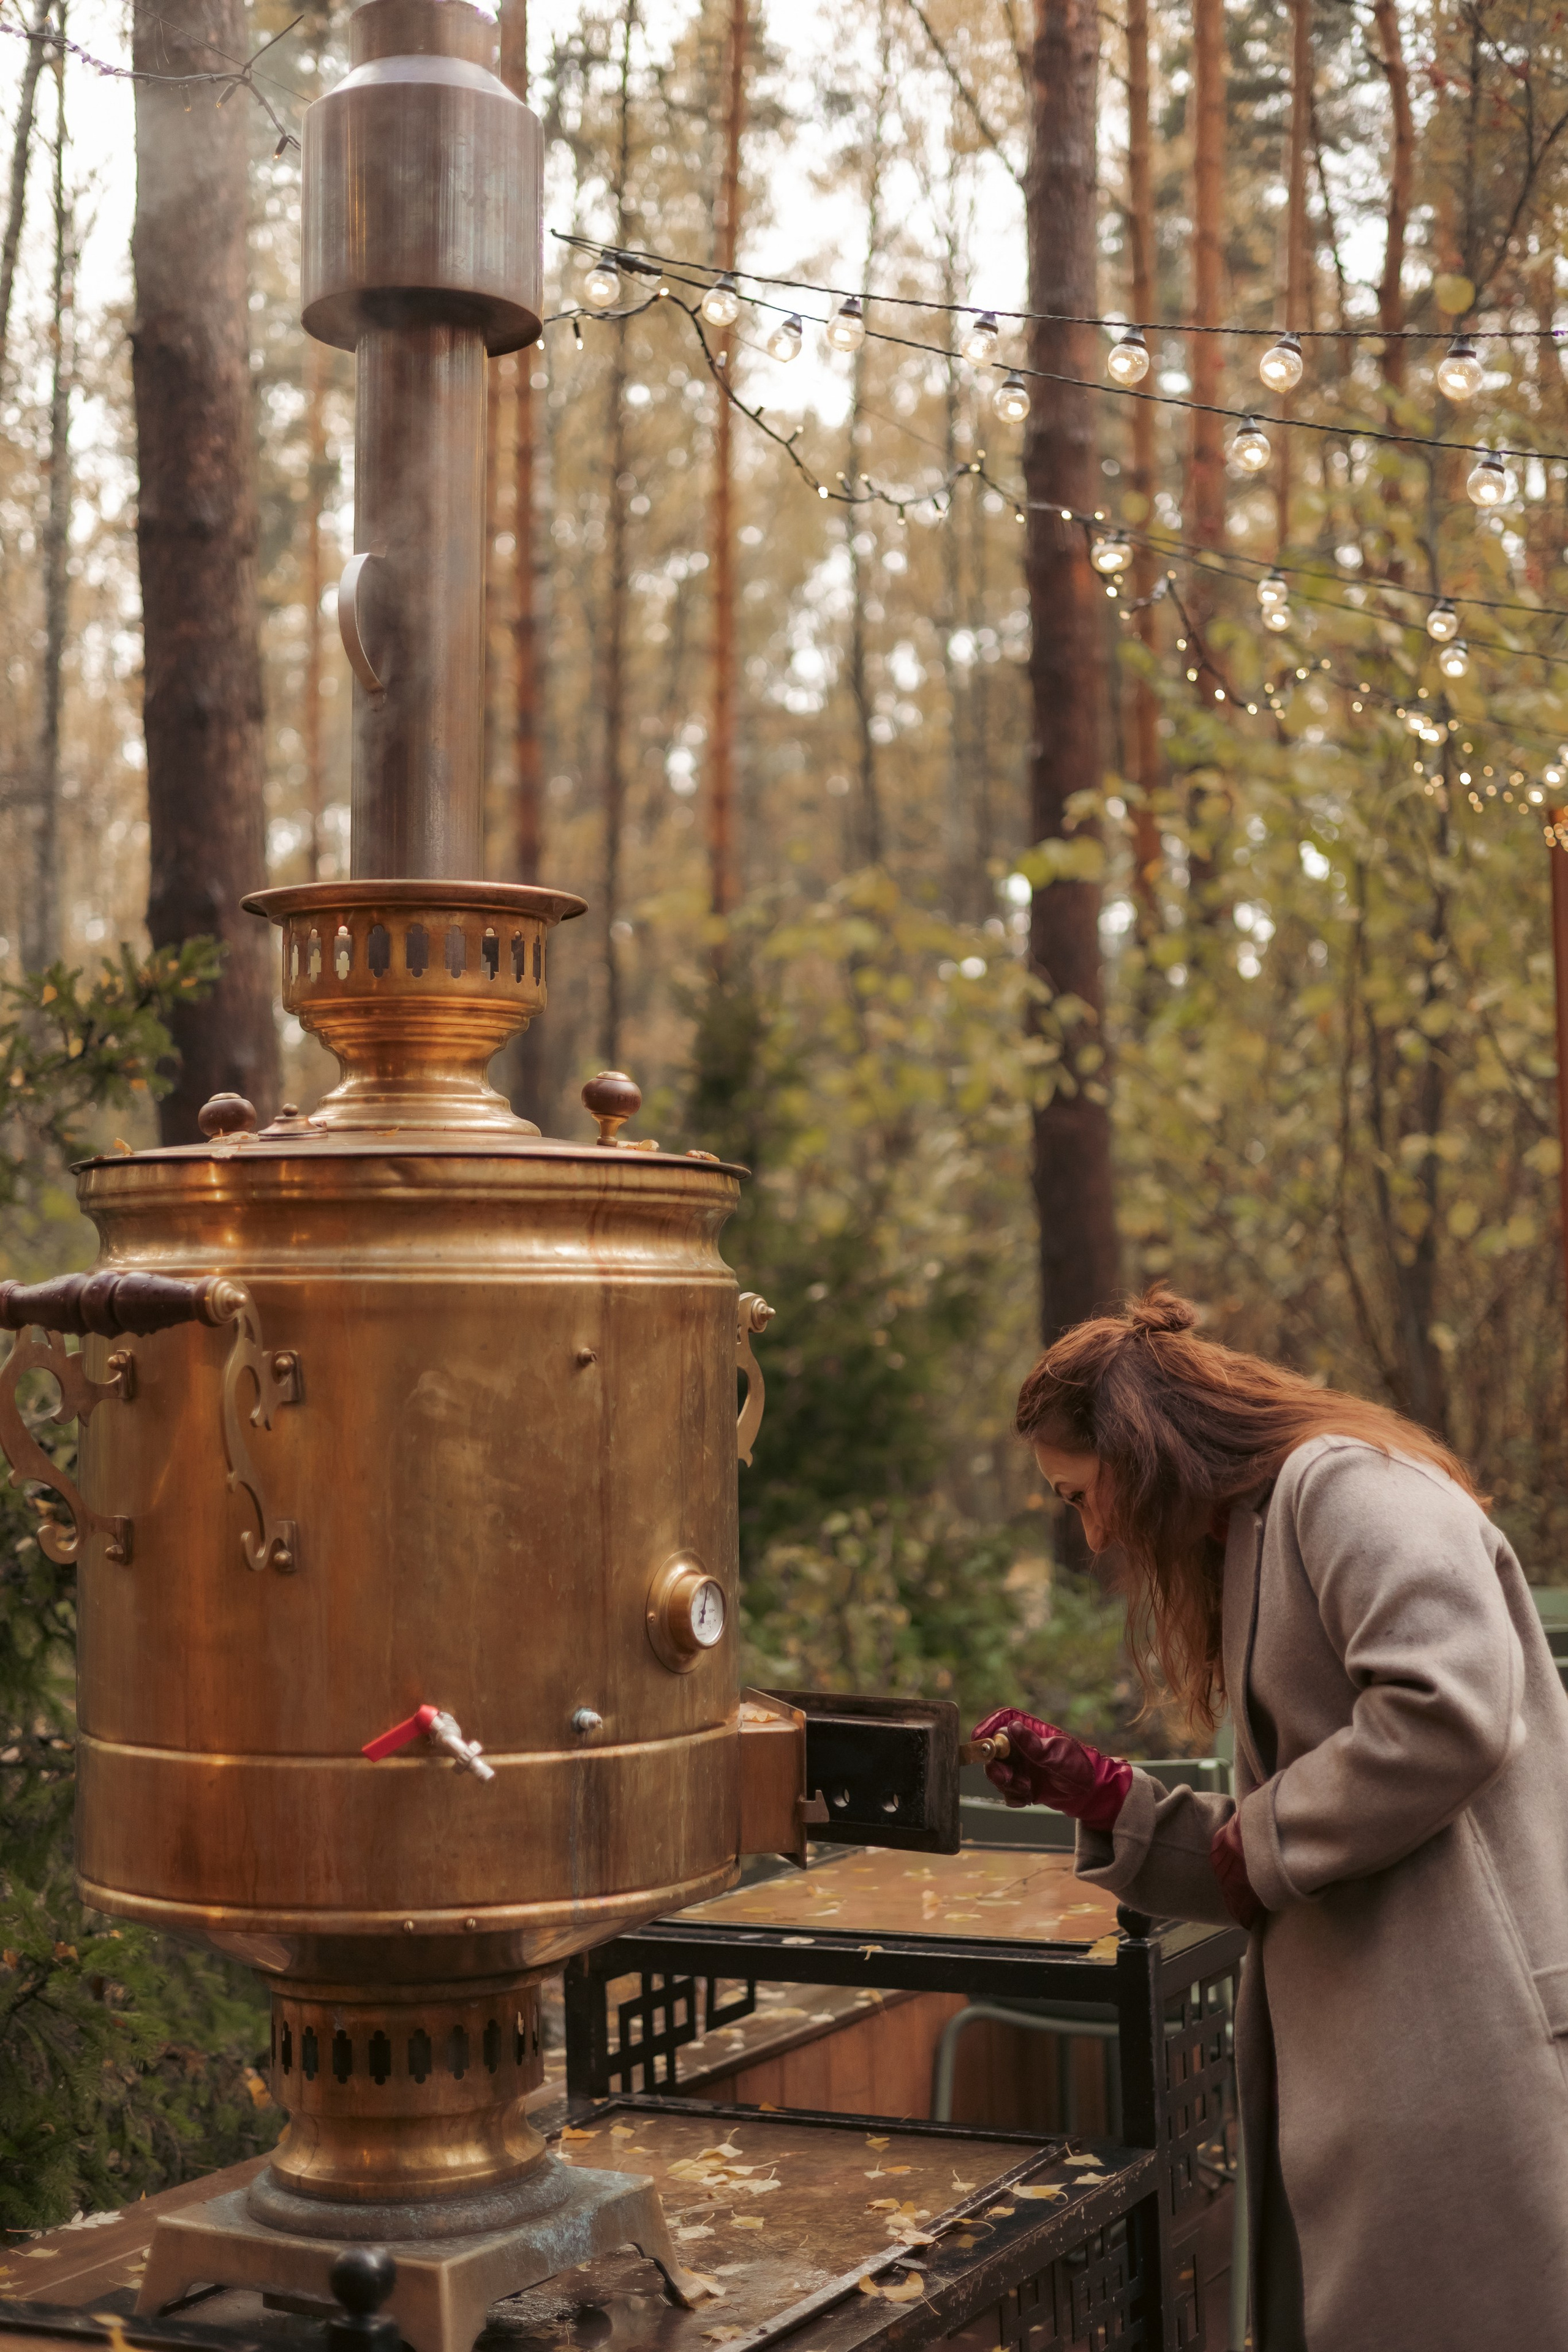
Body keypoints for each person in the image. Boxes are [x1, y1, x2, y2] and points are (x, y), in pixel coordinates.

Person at [972, 1286, 1568, 2352]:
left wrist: (1262, 1840)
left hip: (1470, 2040)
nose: (1094, 1532)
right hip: (1382, 2053)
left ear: (1141, 1450)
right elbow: (1286, 1855)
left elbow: (1449, 1712)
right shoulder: (1254, 1538)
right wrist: (1108, 1800)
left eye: (1081, 1495)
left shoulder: (1346, 1486)